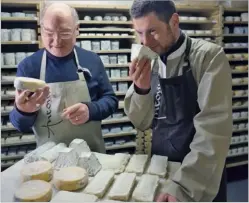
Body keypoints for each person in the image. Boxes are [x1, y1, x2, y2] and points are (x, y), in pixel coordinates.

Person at [124, 0, 232, 202]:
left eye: (152, 31)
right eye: (139, 33)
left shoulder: (208, 57)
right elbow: (141, 122)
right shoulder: (151, 57)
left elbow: (214, 131)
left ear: (174, 21)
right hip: (161, 166)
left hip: (199, 175)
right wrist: (141, 88)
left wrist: (184, 186)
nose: (145, 42)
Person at [9, 2, 118, 153]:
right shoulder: (28, 67)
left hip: (91, 155)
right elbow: (18, 124)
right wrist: (23, 111)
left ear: (77, 30)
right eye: (49, 33)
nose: (57, 41)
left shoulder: (92, 61)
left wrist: (91, 110)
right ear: (41, 30)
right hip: (48, 160)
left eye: (65, 33)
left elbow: (111, 100)